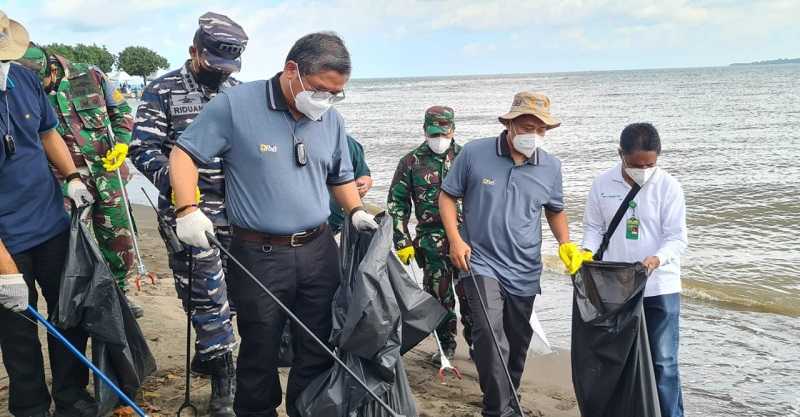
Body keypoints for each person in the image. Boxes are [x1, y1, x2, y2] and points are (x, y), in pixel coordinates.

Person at [169, 31, 379, 417]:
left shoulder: (330, 119)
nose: (326, 100)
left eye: (336, 94)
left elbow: (339, 176)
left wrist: (356, 211)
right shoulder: (235, 105)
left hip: (319, 250)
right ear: (291, 70)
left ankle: (307, 409)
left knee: (318, 344)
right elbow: (183, 155)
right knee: (260, 347)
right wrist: (187, 209)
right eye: (319, 89)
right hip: (258, 254)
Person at [129, 12, 248, 416]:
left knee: (230, 296)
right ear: (194, 51)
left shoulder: (237, 92)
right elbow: (142, 150)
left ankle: (215, 354)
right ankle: (223, 385)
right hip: (188, 214)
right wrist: (183, 193)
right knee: (203, 295)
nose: (220, 74)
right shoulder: (162, 90)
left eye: (227, 68)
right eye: (213, 65)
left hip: (236, 211)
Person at [439, 92, 579, 417]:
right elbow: (447, 197)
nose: (533, 134)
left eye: (539, 129)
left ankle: (508, 400)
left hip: (525, 268)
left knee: (516, 345)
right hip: (480, 262)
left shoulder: (551, 167)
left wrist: (565, 243)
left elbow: (555, 211)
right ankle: (496, 410)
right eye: (526, 125)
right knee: (489, 335)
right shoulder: (475, 153)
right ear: (510, 123)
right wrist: (456, 239)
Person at [0, 11, 97, 417]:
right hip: (6, 240)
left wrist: (72, 176)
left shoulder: (21, 78)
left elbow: (46, 131)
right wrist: (5, 269)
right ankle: (31, 406)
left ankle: (72, 397)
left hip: (49, 223)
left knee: (69, 316)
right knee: (18, 333)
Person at [17, 44, 141, 316]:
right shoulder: (23, 88)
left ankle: (119, 297)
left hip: (107, 176)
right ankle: (79, 301)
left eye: (44, 84)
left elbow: (121, 113)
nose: (42, 90)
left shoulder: (91, 75)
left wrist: (122, 144)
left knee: (118, 241)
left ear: (52, 68)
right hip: (63, 183)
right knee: (71, 245)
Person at [581, 122, 687, 417]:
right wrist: (585, 253)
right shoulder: (602, 184)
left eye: (650, 164)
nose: (644, 169)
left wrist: (655, 259)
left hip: (659, 288)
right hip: (616, 289)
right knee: (617, 359)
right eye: (636, 164)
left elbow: (677, 238)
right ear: (621, 154)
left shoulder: (668, 186)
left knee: (663, 361)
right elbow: (592, 228)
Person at [387, 105, 472, 361]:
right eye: (433, 134)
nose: (439, 139)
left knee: (472, 297)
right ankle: (445, 346)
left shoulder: (468, 157)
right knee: (439, 297)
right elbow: (397, 203)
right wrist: (401, 240)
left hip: (468, 240)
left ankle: (479, 346)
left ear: (453, 130)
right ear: (424, 131)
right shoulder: (411, 162)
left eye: (443, 134)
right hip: (432, 243)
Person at [328, 134, 372, 234]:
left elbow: (364, 174)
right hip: (306, 226)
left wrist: (364, 184)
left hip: (338, 225)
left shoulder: (348, 143)